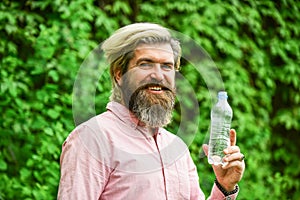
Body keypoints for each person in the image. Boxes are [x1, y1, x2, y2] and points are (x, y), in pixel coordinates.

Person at [57, 23, 245, 200]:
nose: (158, 75)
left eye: (167, 66)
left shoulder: (177, 147)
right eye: (145, 64)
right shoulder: (92, 138)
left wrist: (224, 187)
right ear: (119, 74)